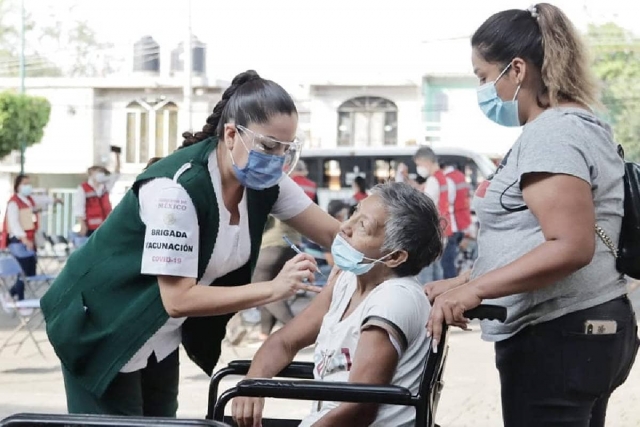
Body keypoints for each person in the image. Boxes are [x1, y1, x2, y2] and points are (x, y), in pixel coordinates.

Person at [40, 70, 341, 417]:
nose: (276, 159)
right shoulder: (176, 191)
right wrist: (274, 289)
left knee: (163, 423)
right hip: (102, 326)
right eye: (269, 147)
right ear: (231, 134)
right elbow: (178, 298)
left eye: (285, 149)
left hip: (158, 334)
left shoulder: (264, 182)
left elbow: (336, 235)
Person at [425, 4, 640, 427]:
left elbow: (570, 246)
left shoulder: (553, 133)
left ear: (517, 69)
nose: (484, 89)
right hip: (584, 329)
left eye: (484, 76)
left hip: (559, 334)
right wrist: (463, 282)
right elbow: (535, 238)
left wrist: (477, 290)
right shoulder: (576, 124)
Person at [231, 182, 443, 427]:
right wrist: (253, 383)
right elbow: (285, 341)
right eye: (354, 213)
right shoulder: (346, 282)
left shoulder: (394, 299)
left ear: (395, 256)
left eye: (362, 226)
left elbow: (359, 407)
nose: (345, 227)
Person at [0, 174, 60, 302]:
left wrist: (54, 201)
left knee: (30, 272)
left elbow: (42, 199)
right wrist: (24, 239)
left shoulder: (29, 200)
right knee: (22, 271)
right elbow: (14, 223)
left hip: (30, 239)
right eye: (25, 184)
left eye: (29, 183)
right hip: (19, 241)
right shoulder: (14, 203)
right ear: (18, 186)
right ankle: (19, 299)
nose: (28, 186)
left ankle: (11, 295)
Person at [411, 147, 451, 283]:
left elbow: (425, 206)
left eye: (418, 164)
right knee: (437, 270)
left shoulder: (433, 180)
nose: (418, 168)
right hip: (443, 228)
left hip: (433, 231)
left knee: (427, 274)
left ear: (425, 161)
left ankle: (427, 300)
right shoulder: (442, 177)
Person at [73, 148, 121, 239]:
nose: (101, 174)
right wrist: (82, 224)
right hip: (91, 228)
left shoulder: (105, 187)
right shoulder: (83, 188)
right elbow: (78, 208)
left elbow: (116, 174)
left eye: (102, 171)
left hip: (106, 226)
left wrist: (117, 156)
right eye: (98, 171)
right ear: (91, 172)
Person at [442, 163, 472, 279]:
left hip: (451, 225)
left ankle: (450, 288)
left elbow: (448, 203)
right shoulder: (460, 175)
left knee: (447, 263)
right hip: (462, 223)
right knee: (454, 260)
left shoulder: (446, 179)